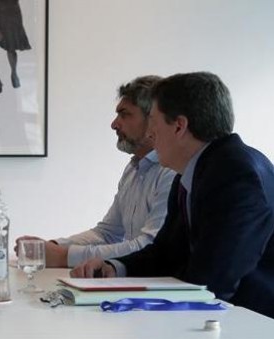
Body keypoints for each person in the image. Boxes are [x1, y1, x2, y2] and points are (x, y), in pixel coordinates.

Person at [71, 72, 274, 318]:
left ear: (179, 126)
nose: (150, 133)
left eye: (154, 121)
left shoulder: (234, 173)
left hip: (252, 321)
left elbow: (214, 281)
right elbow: (166, 251)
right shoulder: (194, 171)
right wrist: (115, 267)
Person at [16, 76, 175, 268]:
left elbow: (149, 246)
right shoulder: (133, 169)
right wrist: (53, 246)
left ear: (152, 120)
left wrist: (63, 256)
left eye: (124, 114)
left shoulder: (171, 173)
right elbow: (107, 233)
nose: (114, 124)